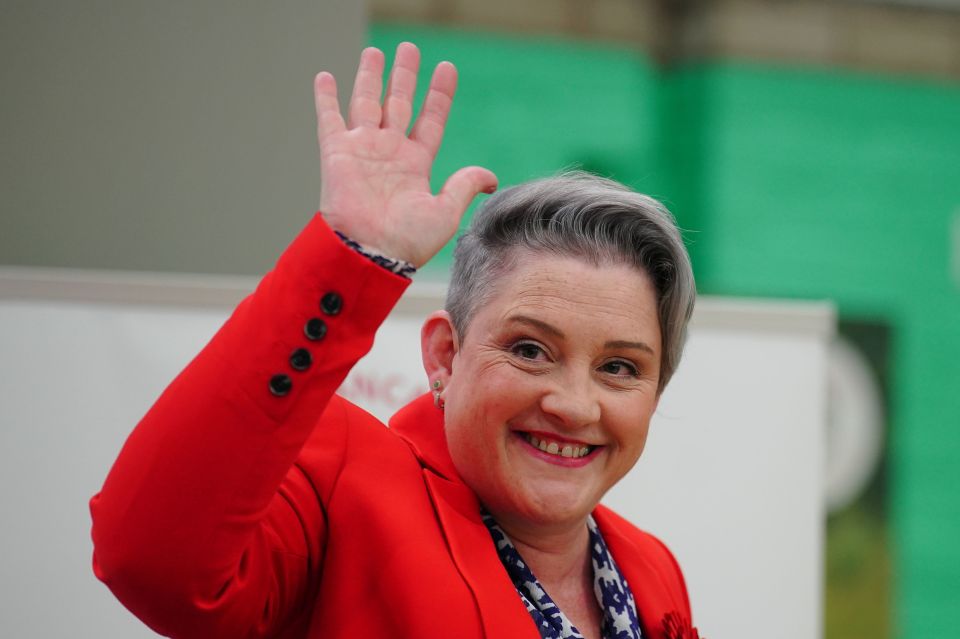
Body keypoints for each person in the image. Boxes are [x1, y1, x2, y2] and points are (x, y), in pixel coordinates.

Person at [90, 42, 699, 639]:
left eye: (619, 367)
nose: (573, 404)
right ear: (445, 355)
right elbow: (151, 562)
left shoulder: (649, 570)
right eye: (529, 351)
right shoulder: (344, 491)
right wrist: (350, 259)